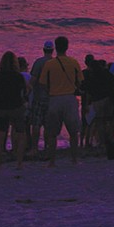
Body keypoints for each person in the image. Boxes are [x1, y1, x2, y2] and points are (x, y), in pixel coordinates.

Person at [39, 35, 83, 166]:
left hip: (54, 98)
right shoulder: (74, 62)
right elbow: (80, 81)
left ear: (55, 48)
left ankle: (52, 161)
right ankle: (74, 159)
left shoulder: (49, 64)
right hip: (70, 98)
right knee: (74, 132)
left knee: (52, 133)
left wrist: (50, 91)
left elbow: (42, 83)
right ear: (67, 47)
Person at [0, 50, 30, 168]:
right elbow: (25, 91)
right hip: (17, 107)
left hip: (2, 107)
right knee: (21, 133)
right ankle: (19, 162)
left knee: (0, 134)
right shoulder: (18, 76)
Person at [28, 40, 54, 154]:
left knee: (36, 124)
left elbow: (33, 81)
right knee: (48, 125)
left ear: (44, 50)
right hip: (52, 98)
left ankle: (34, 148)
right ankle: (47, 147)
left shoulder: (38, 62)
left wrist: (27, 94)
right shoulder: (55, 63)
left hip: (39, 97)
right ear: (52, 50)